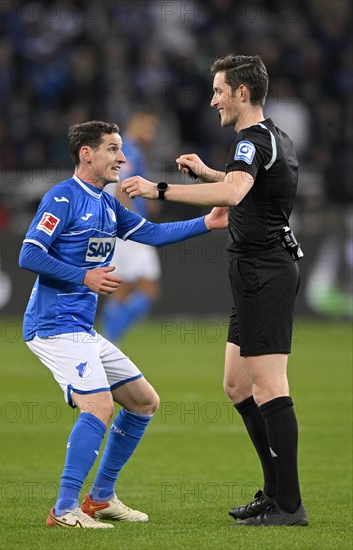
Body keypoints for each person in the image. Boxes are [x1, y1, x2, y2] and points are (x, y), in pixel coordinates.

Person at [121, 54, 308, 527]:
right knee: (237, 384)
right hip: (253, 270)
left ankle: (289, 504)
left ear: (242, 93)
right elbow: (244, 187)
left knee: (269, 385)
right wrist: (207, 174)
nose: (213, 99)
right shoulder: (271, 138)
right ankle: (274, 491)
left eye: (219, 90)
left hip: (264, 271)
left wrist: (158, 190)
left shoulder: (249, 143)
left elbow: (234, 195)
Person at [19, 120, 228, 528]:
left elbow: (150, 233)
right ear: (87, 154)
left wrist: (207, 223)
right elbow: (29, 255)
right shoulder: (62, 198)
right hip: (53, 325)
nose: (122, 157)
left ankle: (100, 498)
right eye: (113, 149)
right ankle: (64, 509)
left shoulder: (105, 202)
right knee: (98, 406)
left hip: (81, 327)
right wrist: (84, 277)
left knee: (144, 401)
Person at [101, 112, 162, 343]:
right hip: (131, 231)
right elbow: (119, 189)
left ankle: (107, 341)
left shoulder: (119, 149)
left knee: (123, 288)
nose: (152, 135)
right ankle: (110, 339)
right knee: (149, 290)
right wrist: (135, 220)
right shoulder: (129, 150)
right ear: (136, 125)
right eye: (148, 129)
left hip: (116, 229)